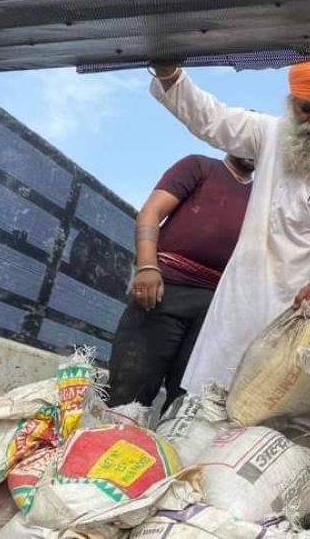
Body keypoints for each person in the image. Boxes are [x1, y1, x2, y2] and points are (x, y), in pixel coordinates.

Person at [148, 58, 310, 395]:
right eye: (307, 108)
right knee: (215, 394)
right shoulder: (268, 132)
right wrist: (170, 75)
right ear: (290, 102)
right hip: (243, 295)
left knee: (277, 405)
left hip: (298, 304)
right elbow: (212, 119)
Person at [107, 154, 253, 409]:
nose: (254, 147)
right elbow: (151, 212)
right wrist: (147, 267)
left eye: (260, 141)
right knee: (128, 393)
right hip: (166, 290)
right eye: (248, 138)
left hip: (217, 309)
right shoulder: (200, 167)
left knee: (189, 408)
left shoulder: (262, 198)